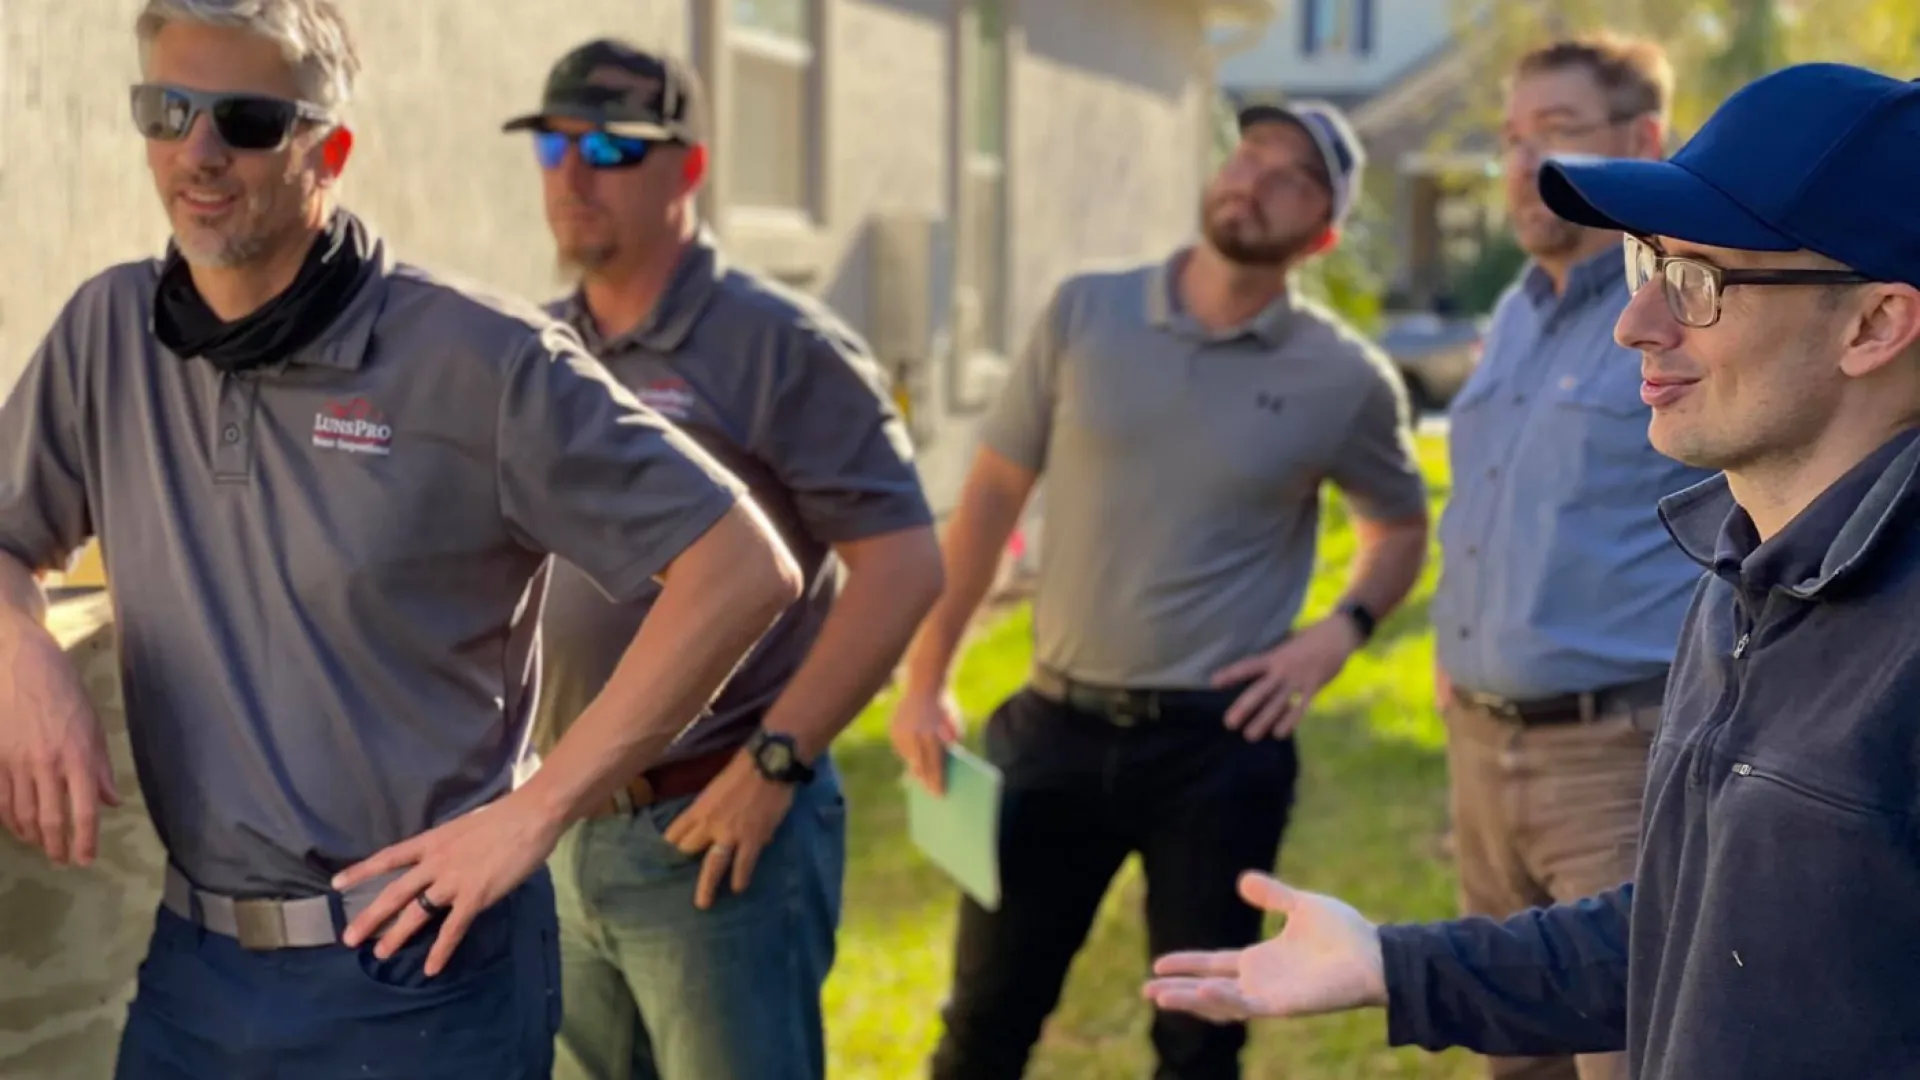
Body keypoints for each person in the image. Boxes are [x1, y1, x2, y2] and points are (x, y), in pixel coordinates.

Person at [0, 3, 803, 1078]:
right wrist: (22, 654)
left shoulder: (483, 362)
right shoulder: (108, 332)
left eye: (243, 119)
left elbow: (743, 566)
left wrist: (538, 810)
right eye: (167, 110)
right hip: (196, 968)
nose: (198, 153)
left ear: (326, 150)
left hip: (421, 975)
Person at [1144, 61, 1920, 1080]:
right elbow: (1694, 929)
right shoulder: (1738, 581)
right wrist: (1392, 963)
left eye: (1700, 282)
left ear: (1875, 325)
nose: (1637, 324)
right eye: (1650, 266)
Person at [892, 99, 1433, 1080]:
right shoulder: (1085, 313)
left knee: (1199, 1040)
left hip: (1218, 753)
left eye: (1291, 175)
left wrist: (1340, 630)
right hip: (1051, 731)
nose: (1254, 177)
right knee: (982, 1025)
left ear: (1323, 232)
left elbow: (1398, 527)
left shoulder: (1344, 378)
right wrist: (927, 675)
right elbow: (987, 500)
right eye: (1250, 153)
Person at [496, 38, 944, 1080]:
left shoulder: (780, 346)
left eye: (611, 146)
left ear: (687, 170)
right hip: (564, 822)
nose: (573, 173)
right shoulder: (546, 346)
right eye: (554, 144)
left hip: (712, 828)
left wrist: (774, 763)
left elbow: (904, 566)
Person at [1426, 34, 1713, 1080]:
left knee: (1625, 1057)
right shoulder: (1513, 314)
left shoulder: (1690, 313)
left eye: (1554, 133)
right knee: (1516, 1052)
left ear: (1642, 142)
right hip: (1480, 754)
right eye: (1509, 138)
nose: (1519, 164)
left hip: (1617, 757)